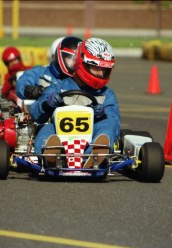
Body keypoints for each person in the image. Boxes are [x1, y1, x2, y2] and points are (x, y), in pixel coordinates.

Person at [30, 38, 121, 168]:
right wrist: (46, 105)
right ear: (80, 62)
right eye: (95, 67)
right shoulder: (57, 87)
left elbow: (114, 121)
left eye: (104, 69)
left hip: (91, 135)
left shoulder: (106, 94)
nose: (100, 73)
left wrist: (102, 114)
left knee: (109, 124)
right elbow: (34, 113)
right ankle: (52, 153)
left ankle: (94, 154)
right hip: (59, 132)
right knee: (46, 128)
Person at [16, 36, 82, 100]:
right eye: (73, 59)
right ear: (60, 56)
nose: (75, 63)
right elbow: (22, 83)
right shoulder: (39, 73)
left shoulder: (80, 80)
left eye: (79, 61)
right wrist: (32, 91)